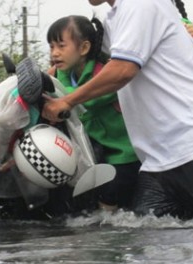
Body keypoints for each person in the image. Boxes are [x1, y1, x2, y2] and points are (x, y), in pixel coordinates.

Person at [43, 0, 193, 219]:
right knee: (144, 236)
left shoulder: (141, 4)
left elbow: (122, 70)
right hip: (158, 159)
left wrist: (67, 101)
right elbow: (85, 57)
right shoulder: (114, 18)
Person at [46, 15, 141, 210]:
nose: (55, 53)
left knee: (109, 192)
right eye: (51, 47)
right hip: (91, 151)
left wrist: (59, 99)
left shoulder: (103, 75)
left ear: (84, 48)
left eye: (61, 46)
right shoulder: (59, 74)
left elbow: (90, 96)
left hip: (123, 153)